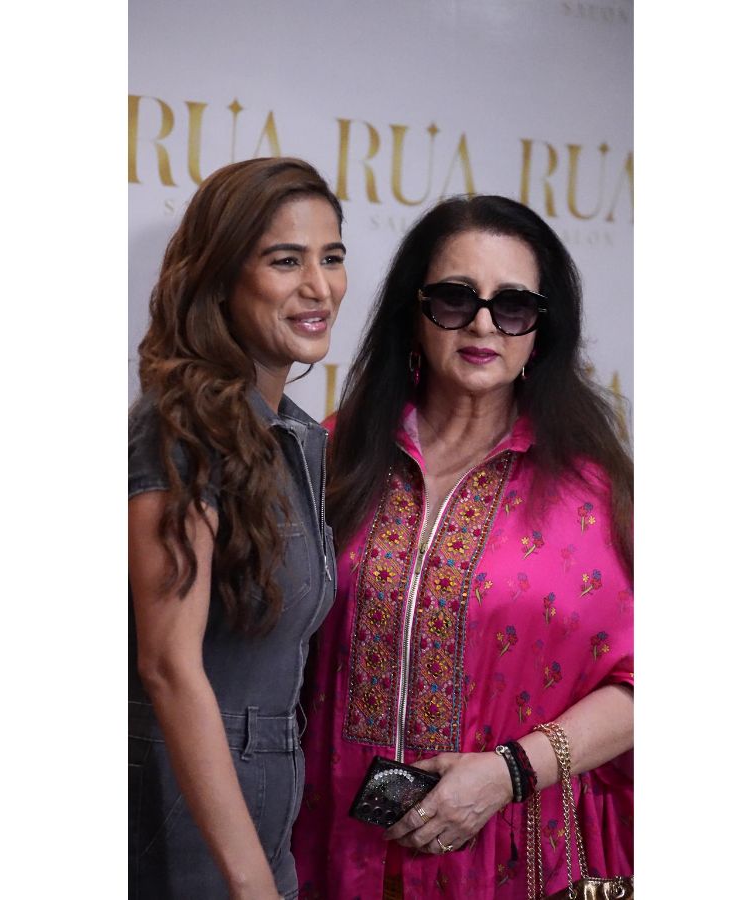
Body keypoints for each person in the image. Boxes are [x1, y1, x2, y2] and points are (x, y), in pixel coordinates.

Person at [291, 195, 633, 899]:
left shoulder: (594, 493)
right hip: (332, 852)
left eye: (513, 306)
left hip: (516, 858)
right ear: (413, 314)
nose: (482, 324)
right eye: (454, 298)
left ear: (541, 329)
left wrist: (510, 772)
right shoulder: (331, 457)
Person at [128, 157, 347, 899]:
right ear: (222, 276)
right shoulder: (179, 429)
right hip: (182, 829)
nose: (319, 287)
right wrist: (252, 884)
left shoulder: (299, 439)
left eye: (332, 257)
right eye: (286, 261)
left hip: (266, 825)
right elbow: (168, 665)